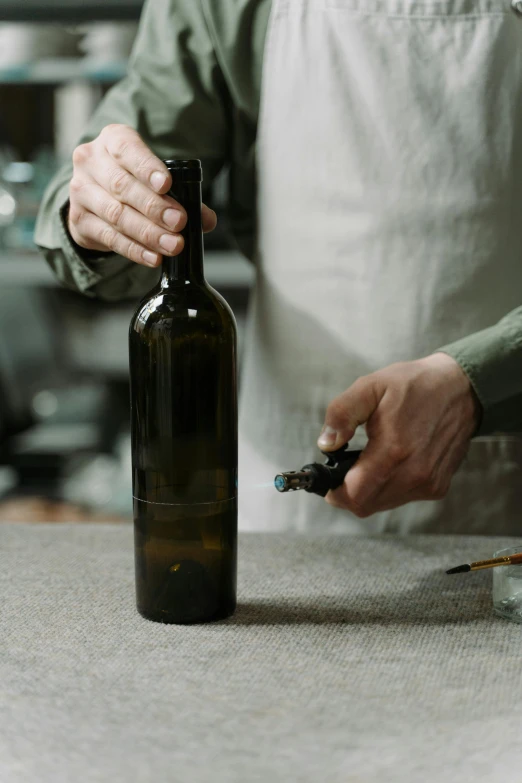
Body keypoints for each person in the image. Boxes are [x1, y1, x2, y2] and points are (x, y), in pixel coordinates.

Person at [36, 0, 522, 534]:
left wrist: (480, 380)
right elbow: (135, 147)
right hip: (289, 492)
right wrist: (95, 208)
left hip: (502, 475)